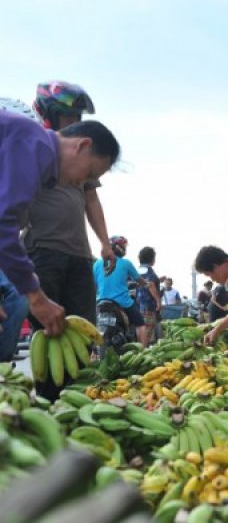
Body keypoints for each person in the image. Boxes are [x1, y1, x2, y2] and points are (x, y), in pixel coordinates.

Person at [0, 112, 119, 370]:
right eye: (88, 173)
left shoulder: (36, 154)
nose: (81, 183)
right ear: (82, 145)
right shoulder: (35, 145)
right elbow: (4, 225)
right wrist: (37, 297)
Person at [24, 82, 117, 335]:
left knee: (83, 327)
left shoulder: (85, 158)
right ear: (49, 114)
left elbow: (92, 200)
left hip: (79, 253)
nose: (74, 121)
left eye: (78, 117)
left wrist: (105, 243)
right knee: (48, 330)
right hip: (43, 248)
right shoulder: (32, 148)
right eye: (68, 116)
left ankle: (80, 376)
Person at [94, 236, 148, 344]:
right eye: (124, 246)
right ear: (120, 248)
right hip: (122, 302)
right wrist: (146, 284)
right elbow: (139, 280)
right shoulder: (125, 263)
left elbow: (95, 284)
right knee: (140, 324)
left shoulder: (97, 264)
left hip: (100, 302)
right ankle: (143, 351)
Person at [136, 246, 161, 345]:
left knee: (140, 332)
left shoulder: (137, 270)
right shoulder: (149, 270)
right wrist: (158, 301)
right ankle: (143, 354)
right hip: (148, 307)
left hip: (138, 306)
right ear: (152, 258)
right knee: (147, 333)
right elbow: (150, 285)